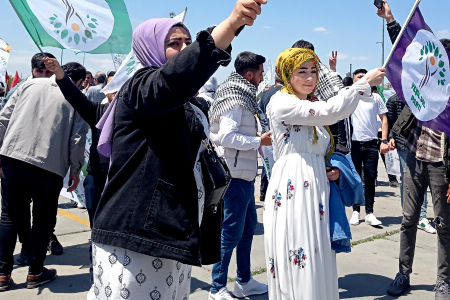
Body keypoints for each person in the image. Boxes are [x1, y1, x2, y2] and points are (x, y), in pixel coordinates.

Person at [87, 1, 267, 299]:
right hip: (137, 235)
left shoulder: (188, 102)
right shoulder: (140, 89)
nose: (184, 48)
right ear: (149, 49)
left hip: (172, 230)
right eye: (174, 43)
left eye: (188, 41)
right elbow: (173, 80)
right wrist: (232, 23)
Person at [264, 47, 385, 300]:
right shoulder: (281, 101)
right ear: (287, 74)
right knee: (299, 246)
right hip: (292, 185)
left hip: (317, 186)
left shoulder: (309, 102)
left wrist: (329, 168)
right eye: (301, 72)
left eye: (313, 71)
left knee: (316, 248)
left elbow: (321, 140)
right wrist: (362, 83)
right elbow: (331, 112)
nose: (309, 78)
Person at [377, 1, 450, 297]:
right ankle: (402, 273)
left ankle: (443, 280)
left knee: (444, 225)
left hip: (442, 167)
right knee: (408, 221)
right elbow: (410, 47)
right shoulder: (422, 85)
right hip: (413, 160)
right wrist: (391, 20)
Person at [0, 62, 88, 291]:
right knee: (43, 219)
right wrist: (76, 170)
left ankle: (2, 274)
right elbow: (78, 139)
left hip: (13, 157)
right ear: (78, 80)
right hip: (49, 164)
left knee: (9, 215)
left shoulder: (26, 86)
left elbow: (3, 119)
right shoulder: (74, 95)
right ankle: (35, 272)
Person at [208, 51, 271, 300]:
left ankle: (244, 280)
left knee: (247, 230)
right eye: (260, 72)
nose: (262, 76)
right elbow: (225, 136)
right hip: (234, 176)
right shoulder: (236, 98)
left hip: (243, 175)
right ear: (249, 73)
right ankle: (217, 287)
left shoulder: (243, 95)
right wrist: (258, 140)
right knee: (230, 232)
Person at [0, 53, 65, 266]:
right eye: (40, 71)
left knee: (34, 216)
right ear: (32, 70)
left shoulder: (63, 91)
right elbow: (3, 121)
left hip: (32, 161)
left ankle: (11, 269)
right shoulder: (19, 90)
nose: (44, 77)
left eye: (49, 72)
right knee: (16, 215)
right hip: (28, 161)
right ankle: (26, 265)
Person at [386, 93, 435, 234]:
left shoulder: (422, 96)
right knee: (407, 179)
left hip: (423, 143)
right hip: (403, 144)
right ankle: (410, 213)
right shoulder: (394, 100)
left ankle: (421, 216)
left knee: (422, 178)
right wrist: (390, 137)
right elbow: (390, 122)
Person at [347, 69, 389, 227]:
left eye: (365, 77)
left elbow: (384, 119)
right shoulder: (352, 97)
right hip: (355, 144)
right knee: (356, 179)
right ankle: (356, 211)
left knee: (371, 179)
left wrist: (384, 140)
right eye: (359, 77)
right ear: (354, 81)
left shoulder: (376, 98)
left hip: (372, 144)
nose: (363, 80)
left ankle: (370, 212)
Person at [258, 75, 284, 202]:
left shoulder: (265, 94)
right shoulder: (285, 94)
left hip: (266, 133)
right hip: (281, 135)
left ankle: (264, 192)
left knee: (266, 165)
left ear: (275, 81)